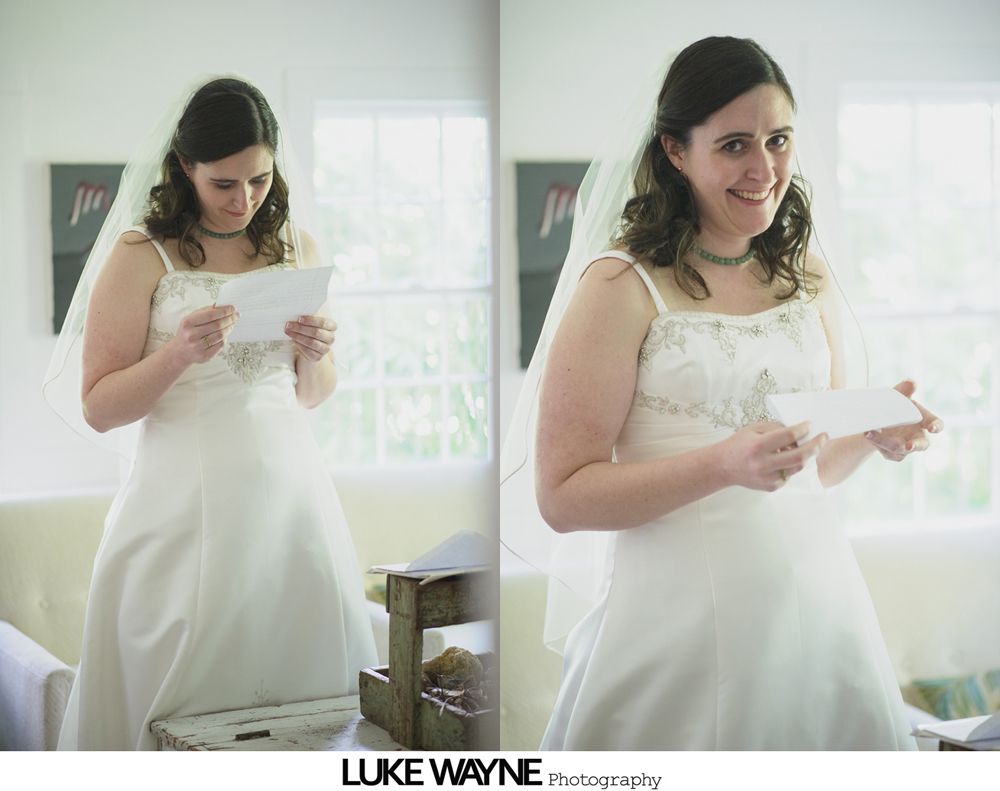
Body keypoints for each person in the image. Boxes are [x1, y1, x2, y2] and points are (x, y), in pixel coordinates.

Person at [504, 37, 942, 750]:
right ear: (676, 152)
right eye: (734, 145)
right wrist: (721, 465)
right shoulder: (619, 285)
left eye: (778, 140)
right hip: (675, 630)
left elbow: (813, 468)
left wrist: (872, 432)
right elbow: (561, 496)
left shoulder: (807, 276)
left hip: (817, 615)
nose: (763, 169)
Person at [46, 77, 377, 750]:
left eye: (259, 180)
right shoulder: (142, 254)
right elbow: (98, 406)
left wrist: (316, 353)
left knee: (312, 708)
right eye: (223, 183)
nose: (243, 200)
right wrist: (178, 355)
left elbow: (311, 394)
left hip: (292, 505)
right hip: (182, 510)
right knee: (178, 699)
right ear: (184, 168)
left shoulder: (296, 247)